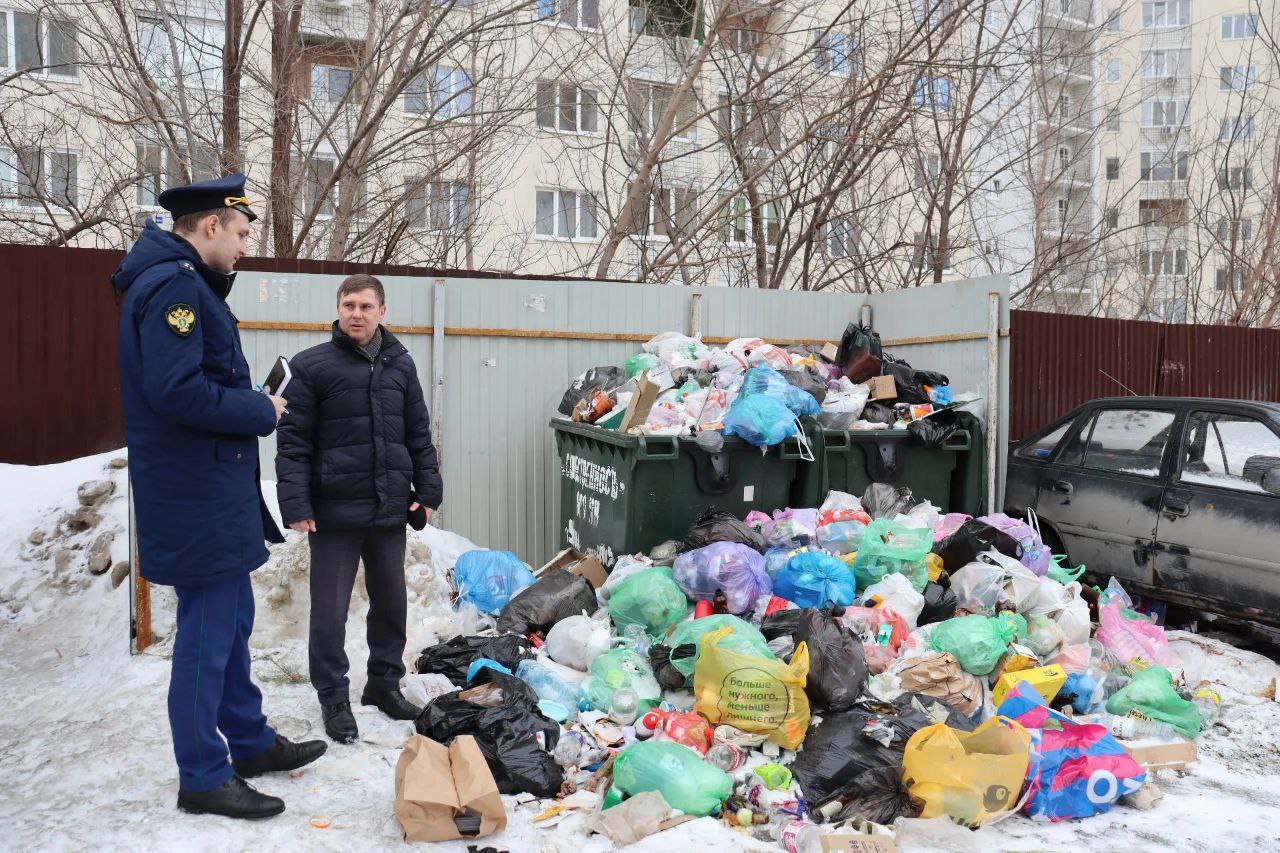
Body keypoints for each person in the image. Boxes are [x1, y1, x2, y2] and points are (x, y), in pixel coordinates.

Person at [111, 174, 327, 819]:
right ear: (209, 226)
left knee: (230, 625)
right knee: (206, 638)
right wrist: (260, 407)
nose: (241, 247)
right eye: (237, 234)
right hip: (194, 491)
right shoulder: (174, 286)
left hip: (209, 487)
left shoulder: (186, 281)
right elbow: (176, 393)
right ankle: (202, 775)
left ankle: (250, 742)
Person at [275, 274, 443, 743]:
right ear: (338, 308)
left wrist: (428, 492)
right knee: (328, 612)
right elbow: (293, 443)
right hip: (332, 513)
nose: (356, 313)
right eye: (349, 304)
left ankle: (383, 686)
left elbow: (417, 432)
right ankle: (333, 697)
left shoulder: (400, 364)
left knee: (391, 604)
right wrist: (296, 502)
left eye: (366, 306)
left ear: (382, 311)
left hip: (388, 507)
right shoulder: (312, 367)